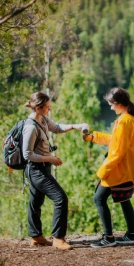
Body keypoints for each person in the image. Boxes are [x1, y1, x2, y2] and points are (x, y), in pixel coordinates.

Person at [83, 87, 134, 248]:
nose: (110, 108)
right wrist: (93, 137)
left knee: (99, 198)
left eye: (111, 105)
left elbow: (118, 150)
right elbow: (116, 140)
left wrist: (103, 170)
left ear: (119, 104)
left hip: (118, 168)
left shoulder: (125, 121)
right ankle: (131, 235)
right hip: (126, 168)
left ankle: (108, 237)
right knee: (125, 199)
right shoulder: (129, 119)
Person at [22, 92, 88, 250]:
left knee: (35, 201)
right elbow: (27, 154)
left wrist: (74, 126)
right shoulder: (30, 127)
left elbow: (57, 128)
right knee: (60, 198)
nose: (49, 110)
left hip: (42, 168)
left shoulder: (43, 119)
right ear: (38, 108)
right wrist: (50, 158)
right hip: (36, 170)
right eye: (47, 107)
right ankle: (58, 239)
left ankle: (36, 236)